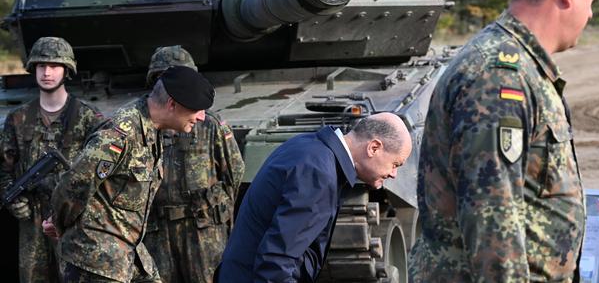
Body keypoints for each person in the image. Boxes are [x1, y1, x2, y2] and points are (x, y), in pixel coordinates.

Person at [408, 0, 599, 282]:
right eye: (591, 1)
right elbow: (493, 222)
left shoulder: (519, 66)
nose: (590, 14)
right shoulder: (499, 78)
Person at [47, 66, 214, 283]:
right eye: (197, 109)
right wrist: (59, 224)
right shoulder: (119, 135)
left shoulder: (152, 129)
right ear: (172, 104)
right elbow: (75, 183)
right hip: (96, 260)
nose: (201, 117)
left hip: (128, 252)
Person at [217, 113, 412, 282]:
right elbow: (277, 259)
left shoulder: (310, 146)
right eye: (395, 164)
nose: (394, 174)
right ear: (374, 148)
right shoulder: (320, 173)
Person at [0, 36, 104, 283]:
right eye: (41, 66)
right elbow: (4, 167)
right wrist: (13, 200)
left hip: (73, 220)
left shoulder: (88, 118)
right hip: (32, 221)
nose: (47, 72)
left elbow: (104, 171)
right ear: (33, 69)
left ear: (66, 70)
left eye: (55, 66)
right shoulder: (18, 119)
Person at [142, 46, 244, 283]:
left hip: (203, 232)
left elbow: (234, 175)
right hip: (156, 231)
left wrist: (215, 214)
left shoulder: (209, 125)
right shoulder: (141, 127)